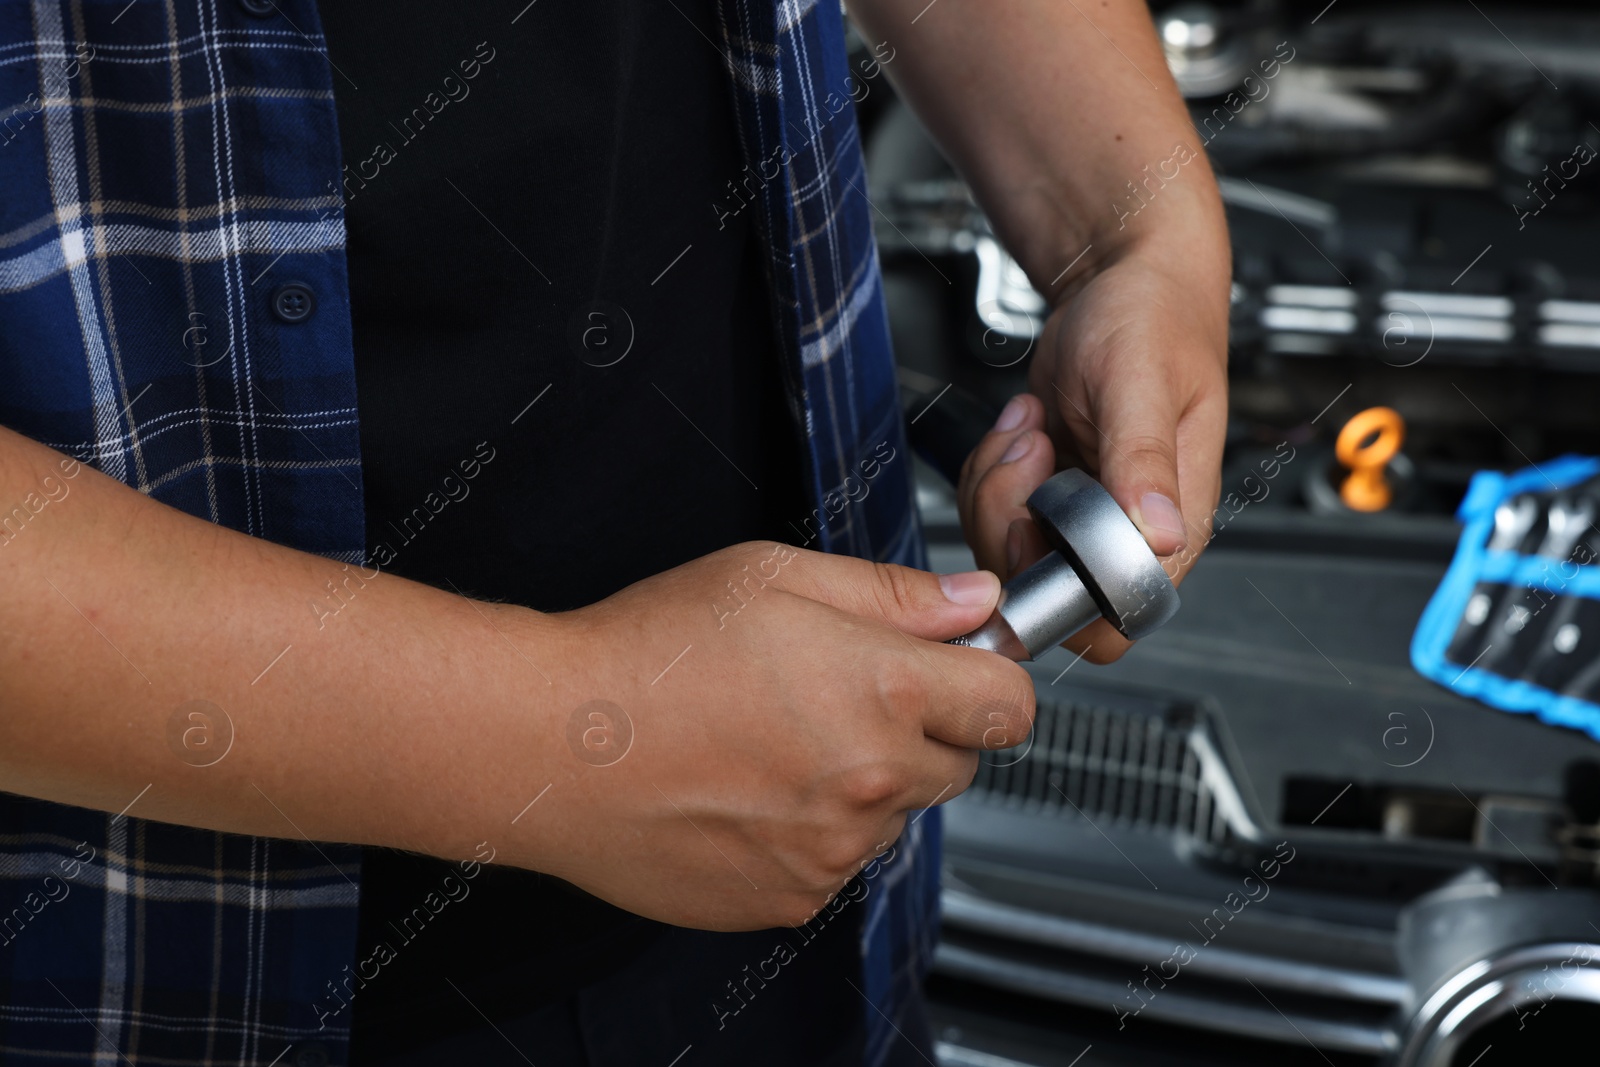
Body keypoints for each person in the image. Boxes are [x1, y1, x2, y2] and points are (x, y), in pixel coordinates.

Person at [0, 0, 1228, 1064]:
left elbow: (1123, 212)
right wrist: (559, 731)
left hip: (813, 911)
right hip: (158, 989)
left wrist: (1131, 229)